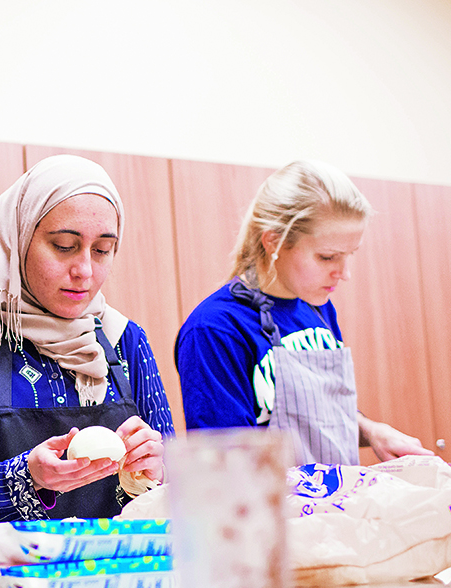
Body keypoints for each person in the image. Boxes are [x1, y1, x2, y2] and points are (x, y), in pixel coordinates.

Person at [0, 155, 174, 576]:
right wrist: (24, 479)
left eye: (102, 250)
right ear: (20, 240)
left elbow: (177, 488)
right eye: (64, 246)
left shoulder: (125, 342)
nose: (84, 270)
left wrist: (158, 467)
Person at [174, 159, 430, 466]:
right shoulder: (215, 330)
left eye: (349, 256)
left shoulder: (320, 311)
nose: (344, 274)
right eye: (327, 257)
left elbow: (320, 418)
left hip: (336, 509)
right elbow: (225, 470)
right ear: (273, 242)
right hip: (278, 513)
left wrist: (372, 430)